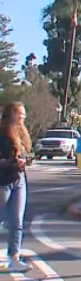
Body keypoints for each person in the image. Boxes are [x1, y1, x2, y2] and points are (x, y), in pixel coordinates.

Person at [0, 102, 34, 272]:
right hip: (3, 180)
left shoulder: (21, 133)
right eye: (20, 113)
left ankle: (14, 257)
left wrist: (26, 160)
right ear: (11, 113)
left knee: (17, 221)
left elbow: (24, 154)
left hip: (19, 179)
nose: (23, 116)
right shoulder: (2, 133)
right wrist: (12, 163)